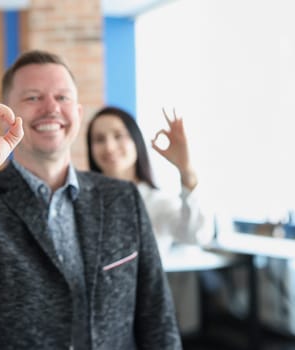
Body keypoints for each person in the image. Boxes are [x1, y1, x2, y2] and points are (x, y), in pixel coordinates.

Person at [0, 51, 181, 349]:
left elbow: (157, 313)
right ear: (6, 115)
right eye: (32, 98)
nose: (51, 108)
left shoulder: (122, 197)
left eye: (63, 97)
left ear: (78, 114)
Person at [86, 106, 214, 333]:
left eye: (118, 136)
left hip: (141, 321)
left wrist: (186, 172)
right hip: (91, 320)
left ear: (136, 141)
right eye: (99, 139)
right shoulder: (81, 199)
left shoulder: (156, 201)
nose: (109, 146)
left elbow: (198, 235)